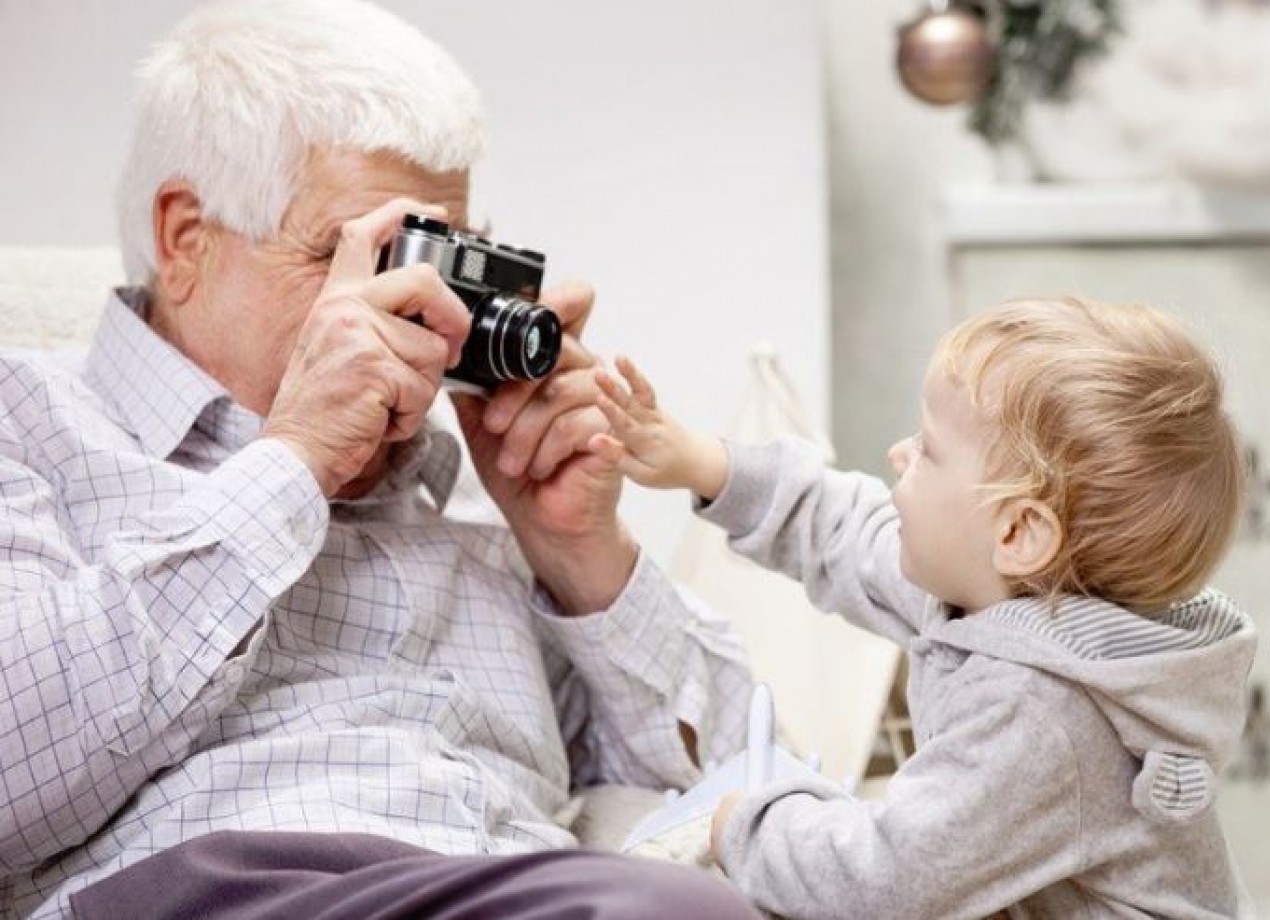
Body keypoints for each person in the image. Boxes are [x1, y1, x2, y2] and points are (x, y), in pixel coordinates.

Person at [0, 2, 760, 918]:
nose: (413, 311)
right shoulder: (31, 422)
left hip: (515, 884)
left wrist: (583, 559)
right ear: (186, 238)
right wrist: (294, 462)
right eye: (348, 253)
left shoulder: (476, 506)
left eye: (438, 260)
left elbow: (764, 801)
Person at [588, 297, 1259, 918]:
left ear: (1018, 533)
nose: (899, 453)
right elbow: (847, 532)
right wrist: (704, 464)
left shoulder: (1041, 713)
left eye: (929, 450)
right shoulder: (990, 592)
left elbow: (882, 881)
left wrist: (748, 824)